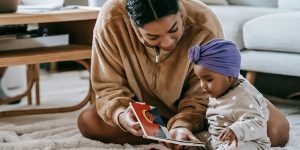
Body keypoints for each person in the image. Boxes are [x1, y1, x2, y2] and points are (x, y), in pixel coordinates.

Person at [77, 0, 289, 148]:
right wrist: (123, 117)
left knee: (275, 130)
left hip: (206, 109)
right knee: (89, 121)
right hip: (145, 110)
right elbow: (108, 88)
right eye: (152, 37)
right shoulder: (111, 20)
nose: (167, 43)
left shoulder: (203, 21)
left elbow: (206, 93)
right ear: (133, 25)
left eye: (174, 30)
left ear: (180, 10)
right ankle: (189, 140)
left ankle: (187, 136)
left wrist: (183, 124)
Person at [189, 39, 272, 149]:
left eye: (208, 80)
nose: (202, 85)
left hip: (246, 143)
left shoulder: (243, 97)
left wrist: (236, 130)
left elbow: (259, 123)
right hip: (216, 140)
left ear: (229, 77)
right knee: (191, 141)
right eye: (200, 79)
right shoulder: (219, 90)